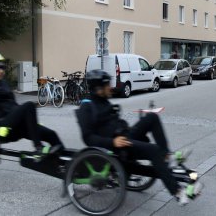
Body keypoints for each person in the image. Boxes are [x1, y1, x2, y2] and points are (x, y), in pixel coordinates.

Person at [76, 70, 201, 205]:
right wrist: (113, 141)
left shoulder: (104, 101)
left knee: (152, 117)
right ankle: (177, 192)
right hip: (115, 147)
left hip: (124, 136)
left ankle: (167, 157)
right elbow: (87, 138)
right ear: (98, 88)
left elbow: (113, 122)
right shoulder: (86, 107)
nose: (110, 87)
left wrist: (127, 130)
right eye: (107, 85)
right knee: (153, 150)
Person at [0, 52, 63, 159]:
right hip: (1, 127)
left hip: (15, 125)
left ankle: (68, 168)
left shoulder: (3, 84)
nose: (1, 71)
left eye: (2, 67)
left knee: (52, 135)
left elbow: (14, 105)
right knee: (29, 105)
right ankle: (38, 148)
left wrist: (30, 120)